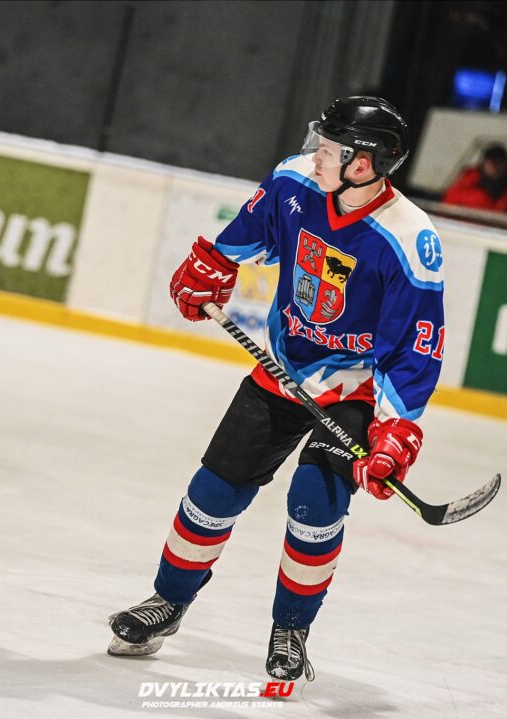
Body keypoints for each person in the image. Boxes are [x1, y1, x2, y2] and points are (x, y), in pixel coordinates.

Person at [107, 97, 445, 682]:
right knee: (213, 492)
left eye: (331, 150)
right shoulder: (295, 181)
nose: (317, 156)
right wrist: (213, 264)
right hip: (283, 368)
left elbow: (413, 348)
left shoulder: (411, 240)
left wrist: (395, 429)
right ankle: (167, 602)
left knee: (315, 504)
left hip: (353, 391)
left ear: (363, 164)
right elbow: (252, 233)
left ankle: (291, 630)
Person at [441, 143, 507, 215]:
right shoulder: (465, 185)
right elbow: (446, 212)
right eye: (491, 162)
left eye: (500, 162)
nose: (495, 166)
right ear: (483, 164)